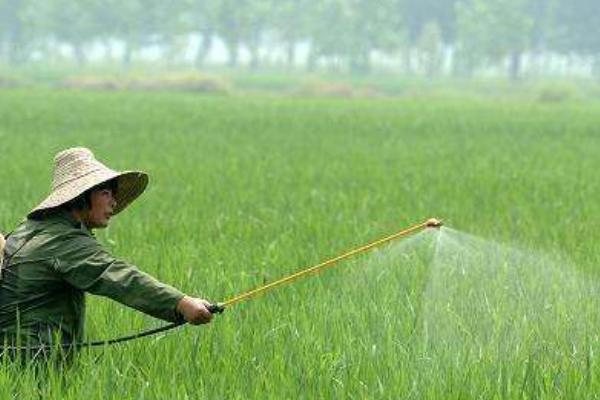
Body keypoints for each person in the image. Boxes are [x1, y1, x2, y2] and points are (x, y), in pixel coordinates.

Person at [0, 147, 214, 361]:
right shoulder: (65, 241)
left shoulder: (27, 229)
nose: (114, 201)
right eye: (105, 193)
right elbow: (118, 276)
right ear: (81, 197)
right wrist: (181, 304)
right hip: (33, 362)